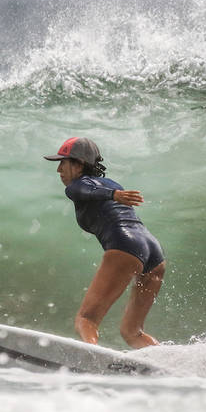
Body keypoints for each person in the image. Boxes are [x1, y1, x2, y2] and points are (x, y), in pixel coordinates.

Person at [43, 137, 164, 348]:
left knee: (86, 320)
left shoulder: (77, 186)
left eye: (64, 162)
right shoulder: (111, 183)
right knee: (132, 332)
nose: (59, 169)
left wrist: (113, 195)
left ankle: (92, 360)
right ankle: (170, 365)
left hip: (126, 246)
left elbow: (83, 190)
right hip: (154, 251)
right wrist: (113, 193)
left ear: (79, 164)